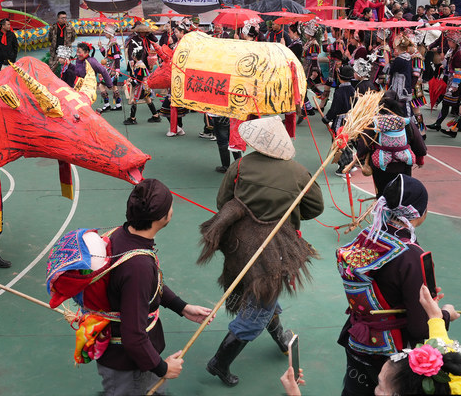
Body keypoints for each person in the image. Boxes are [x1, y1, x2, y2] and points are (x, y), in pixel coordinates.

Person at [201, 116, 323, 387]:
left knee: (262, 294)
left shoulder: (240, 165)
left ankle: (279, 336)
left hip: (238, 247)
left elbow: (223, 201)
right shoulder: (299, 172)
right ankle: (219, 362)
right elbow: (316, 208)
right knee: (260, 306)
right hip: (274, 250)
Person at [95, 179, 213, 395]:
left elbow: (147, 287)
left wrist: (182, 307)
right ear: (162, 218)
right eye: (170, 205)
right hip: (131, 368)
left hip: (134, 359)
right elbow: (133, 335)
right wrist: (162, 368)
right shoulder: (138, 266)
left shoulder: (120, 235)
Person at [336, 175, 451, 396]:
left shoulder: (365, 237)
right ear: (420, 213)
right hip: (389, 353)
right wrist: (443, 315)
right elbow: (420, 329)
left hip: (357, 339)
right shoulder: (411, 256)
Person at [374, 285, 461, 395]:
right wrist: (436, 317)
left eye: (381, 387)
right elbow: (443, 352)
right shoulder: (457, 387)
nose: (376, 391)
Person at [354, 91, 427, 196]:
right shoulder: (406, 122)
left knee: (383, 195)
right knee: (401, 194)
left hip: (381, 167)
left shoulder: (375, 122)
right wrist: (420, 160)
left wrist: (360, 156)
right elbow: (419, 146)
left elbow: (363, 143)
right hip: (403, 166)